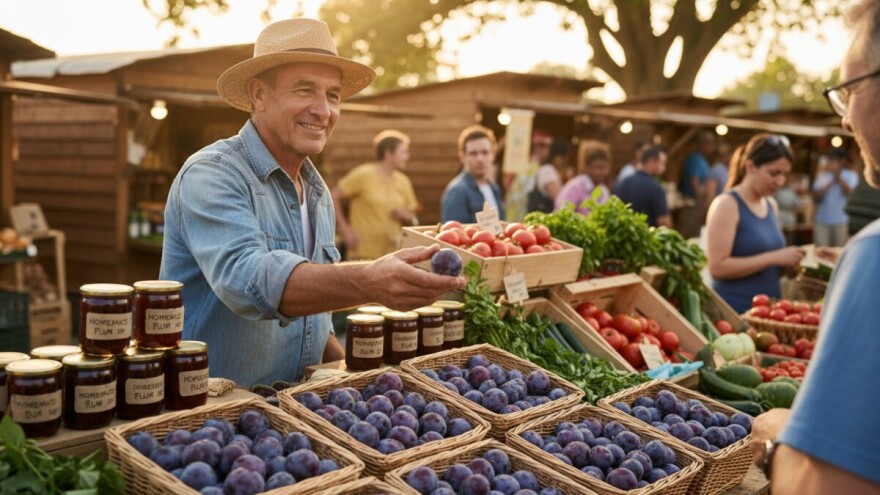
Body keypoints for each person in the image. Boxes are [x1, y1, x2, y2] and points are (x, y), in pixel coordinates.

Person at [159, 19, 462, 387]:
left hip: (292, 409)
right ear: (259, 94)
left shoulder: (317, 193)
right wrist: (369, 281)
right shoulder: (212, 174)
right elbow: (248, 281)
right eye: (305, 90)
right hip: (212, 413)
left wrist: (363, 379)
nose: (323, 110)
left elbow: (312, 326)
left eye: (333, 95)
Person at [750, 3, 880, 493]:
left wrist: (775, 440)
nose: (845, 121)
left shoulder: (874, 255)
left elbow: (824, 486)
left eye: (850, 91)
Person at [705, 134, 805, 314]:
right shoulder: (727, 204)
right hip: (735, 314)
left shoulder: (771, 205)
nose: (780, 181)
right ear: (750, 166)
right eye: (774, 173)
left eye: (784, 174)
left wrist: (789, 265)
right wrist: (774, 257)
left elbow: (766, 265)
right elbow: (717, 267)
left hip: (769, 313)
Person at [331, 130, 418, 260]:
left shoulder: (403, 181)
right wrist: (345, 230)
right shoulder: (363, 174)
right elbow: (333, 196)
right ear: (389, 153)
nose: (407, 157)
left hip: (392, 255)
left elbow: (412, 212)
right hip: (362, 254)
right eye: (403, 152)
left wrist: (404, 214)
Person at [441, 125, 506, 223]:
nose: (480, 159)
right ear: (462, 157)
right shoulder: (457, 192)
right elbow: (453, 231)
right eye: (473, 153)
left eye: (485, 152)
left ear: (493, 154)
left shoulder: (494, 189)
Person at [612, 145, 671, 227]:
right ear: (651, 162)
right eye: (661, 164)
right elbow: (664, 223)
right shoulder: (656, 188)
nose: (663, 168)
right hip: (648, 234)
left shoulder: (621, 183)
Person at [812, 148, 859, 247]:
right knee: (821, 251)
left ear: (842, 161)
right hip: (822, 220)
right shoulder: (823, 175)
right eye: (830, 159)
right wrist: (830, 182)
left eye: (833, 160)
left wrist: (838, 177)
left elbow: (849, 193)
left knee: (839, 252)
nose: (830, 162)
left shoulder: (850, 175)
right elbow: (816, 197)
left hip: (840, 221)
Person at [502, 131, 552, 222]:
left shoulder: (519, 163)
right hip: (523, 214)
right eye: (546, 147)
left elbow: (506, 183)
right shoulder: (536, 167)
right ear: (538, 148)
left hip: (512, 212)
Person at [554, 140, 612, 216]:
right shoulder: (574, 188)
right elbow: (561, 213)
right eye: (598, 167)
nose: (602, 172)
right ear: (587, 167)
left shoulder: (604, 190)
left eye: (604, 167)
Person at [679, 131, 718, 238]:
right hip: (693, 203)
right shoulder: (695, 159)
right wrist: (701, 202)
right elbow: (694, 181)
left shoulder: (702, 159)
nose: (712, 148)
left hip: (697, 202)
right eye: (710, 144)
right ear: (702, 145)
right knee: (691, 234)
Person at [526, 137, 569, 214]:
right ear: (557, 156)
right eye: (563, 159)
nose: (563, 163)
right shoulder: (548, 170)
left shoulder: (546, 169)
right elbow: (558, 198)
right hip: (544, 214)